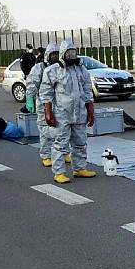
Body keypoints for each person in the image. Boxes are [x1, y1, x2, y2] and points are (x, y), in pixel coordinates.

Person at [39, 40, 97, 184]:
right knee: (60, 143)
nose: (71, 56)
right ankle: (59, 172)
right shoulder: (53, 71)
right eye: (68, 53)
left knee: (80, 142)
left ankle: (79, 168)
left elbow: (87, 90)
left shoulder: (81, 69)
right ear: (62, 54)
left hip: (79, 112)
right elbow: (46, 93)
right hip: (62, 114)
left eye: (73, 53)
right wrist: (48, 112)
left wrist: (90, 110)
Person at [25, 43, 70, 167]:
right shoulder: (39, 68)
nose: (55, 57)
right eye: (53, 54)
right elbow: (32, 83)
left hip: (60, 103)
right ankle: (45, 155)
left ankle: (64, 152)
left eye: (57, 54)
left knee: (63, 129)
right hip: (44, 103)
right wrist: (29, 97)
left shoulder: (62, 67)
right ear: (47, 55)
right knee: (45, 130)